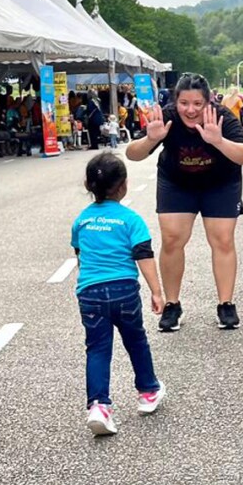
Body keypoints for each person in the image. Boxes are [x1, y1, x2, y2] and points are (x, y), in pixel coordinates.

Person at [125, 73, 243, 332]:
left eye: (197, 104)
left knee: (222, 239)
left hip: (221, 183)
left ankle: (225, 304)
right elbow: (132, 154)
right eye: (184, 103)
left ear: (209, 102)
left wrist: (217, 140)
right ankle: (172, 304)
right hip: (177, 183)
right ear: (176, 101)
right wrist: (151, 139)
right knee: (172, 238)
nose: (191, 110)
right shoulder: (166, 116)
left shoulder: (222, 117)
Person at [72, 153, 166, 436]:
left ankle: (99, 405)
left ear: (89, 185)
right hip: (124, 289)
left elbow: (80, 256)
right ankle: (148, 391)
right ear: (123, 185)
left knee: (98, 348)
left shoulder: (81, 221)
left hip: (90, 292)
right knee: (136, 340)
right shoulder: (130, 220)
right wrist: (157, 292)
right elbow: (144, 256)